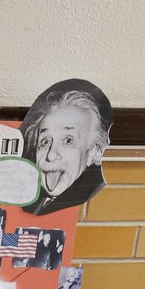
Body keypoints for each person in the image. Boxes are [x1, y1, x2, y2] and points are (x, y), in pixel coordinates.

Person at [21, 80, 113, 216]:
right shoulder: (32, 205)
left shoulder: (95, 209)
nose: (50, 155)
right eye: (45, 142)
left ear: (93, 152)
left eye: (68, 140)